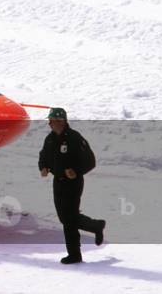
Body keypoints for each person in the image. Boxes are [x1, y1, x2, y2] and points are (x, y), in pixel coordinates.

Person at [38, 107, 105, 264]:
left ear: (65, 121)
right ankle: (95, 225)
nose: (55, 124)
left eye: (59, 121)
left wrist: (76, 171)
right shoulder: (49, 139)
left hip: (73, 183)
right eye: (53, 121)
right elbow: (43, 157)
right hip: (58, 182)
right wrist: (43, 167)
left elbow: (90, 161)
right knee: (65, 218)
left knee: (69, 219)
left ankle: (74, 254)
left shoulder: (75, 138)